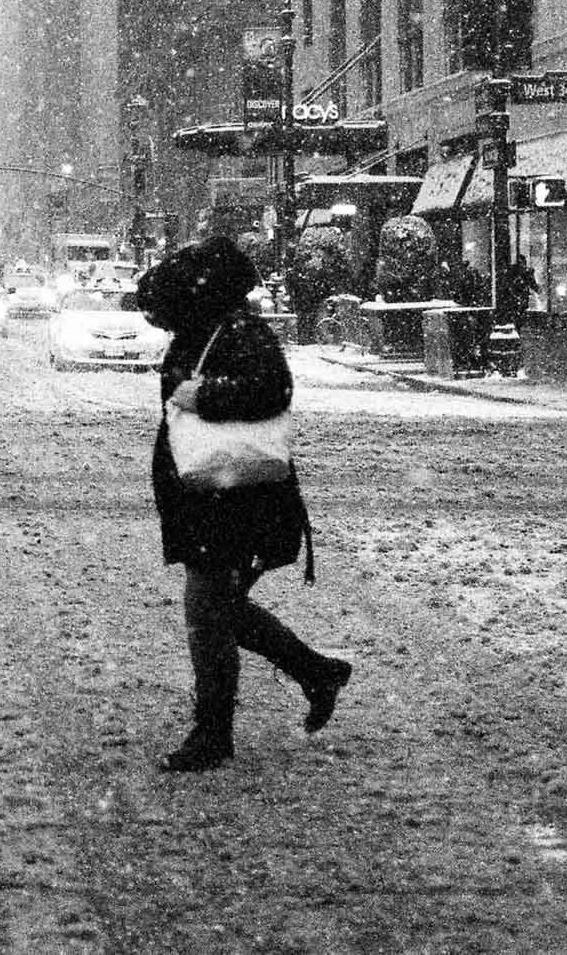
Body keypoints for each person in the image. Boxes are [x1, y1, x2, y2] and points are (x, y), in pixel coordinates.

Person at [133, 236, 349, 773]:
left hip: (241, 503)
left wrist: (202, 396)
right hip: (212, 500)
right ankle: (315, 672)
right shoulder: (204, 332)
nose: (157, 317)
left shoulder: (240, 332)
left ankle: (214, 733)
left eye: (163, 307)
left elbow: (272, 391)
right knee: (220, 610)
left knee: (209, 613)